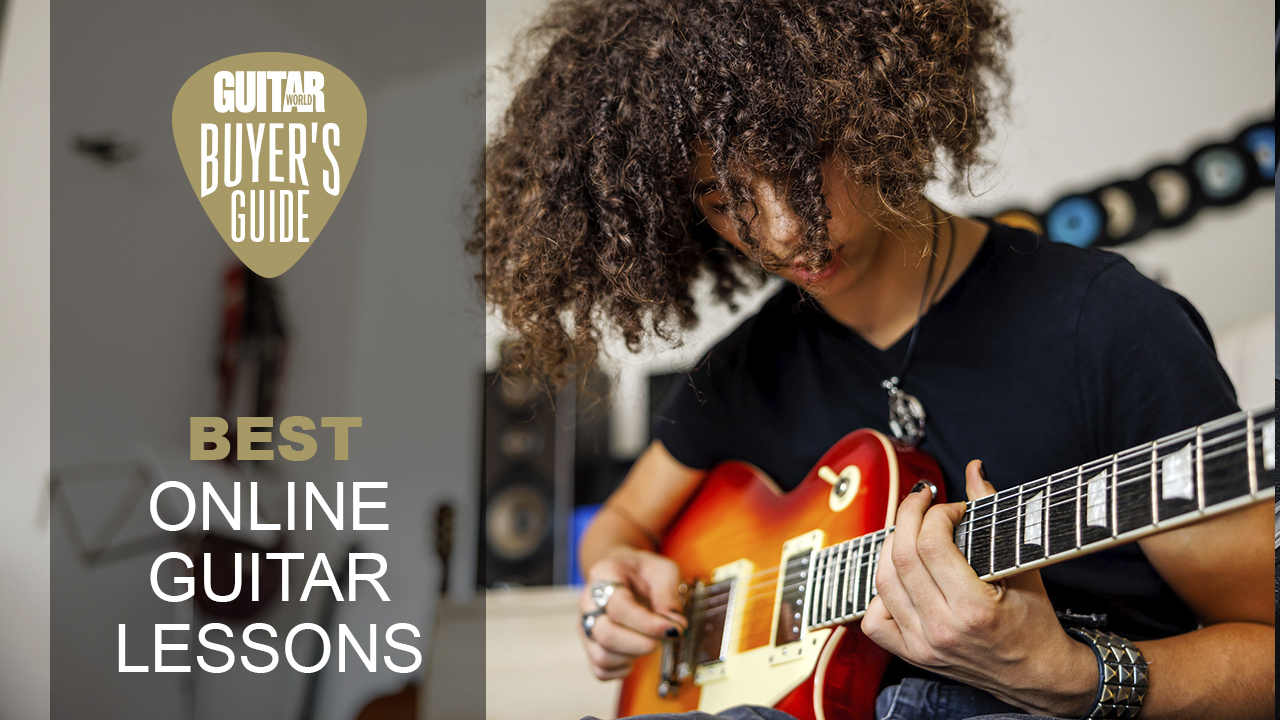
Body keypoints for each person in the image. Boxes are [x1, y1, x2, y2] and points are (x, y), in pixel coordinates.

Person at [472, 1, 1274, 718]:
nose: (786, 232)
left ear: (876, 109)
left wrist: (1074, 678)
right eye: (727, 198)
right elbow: (618, 524)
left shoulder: (1108, 324)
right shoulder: (745, 373)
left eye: (804, 159)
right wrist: (609, 584)